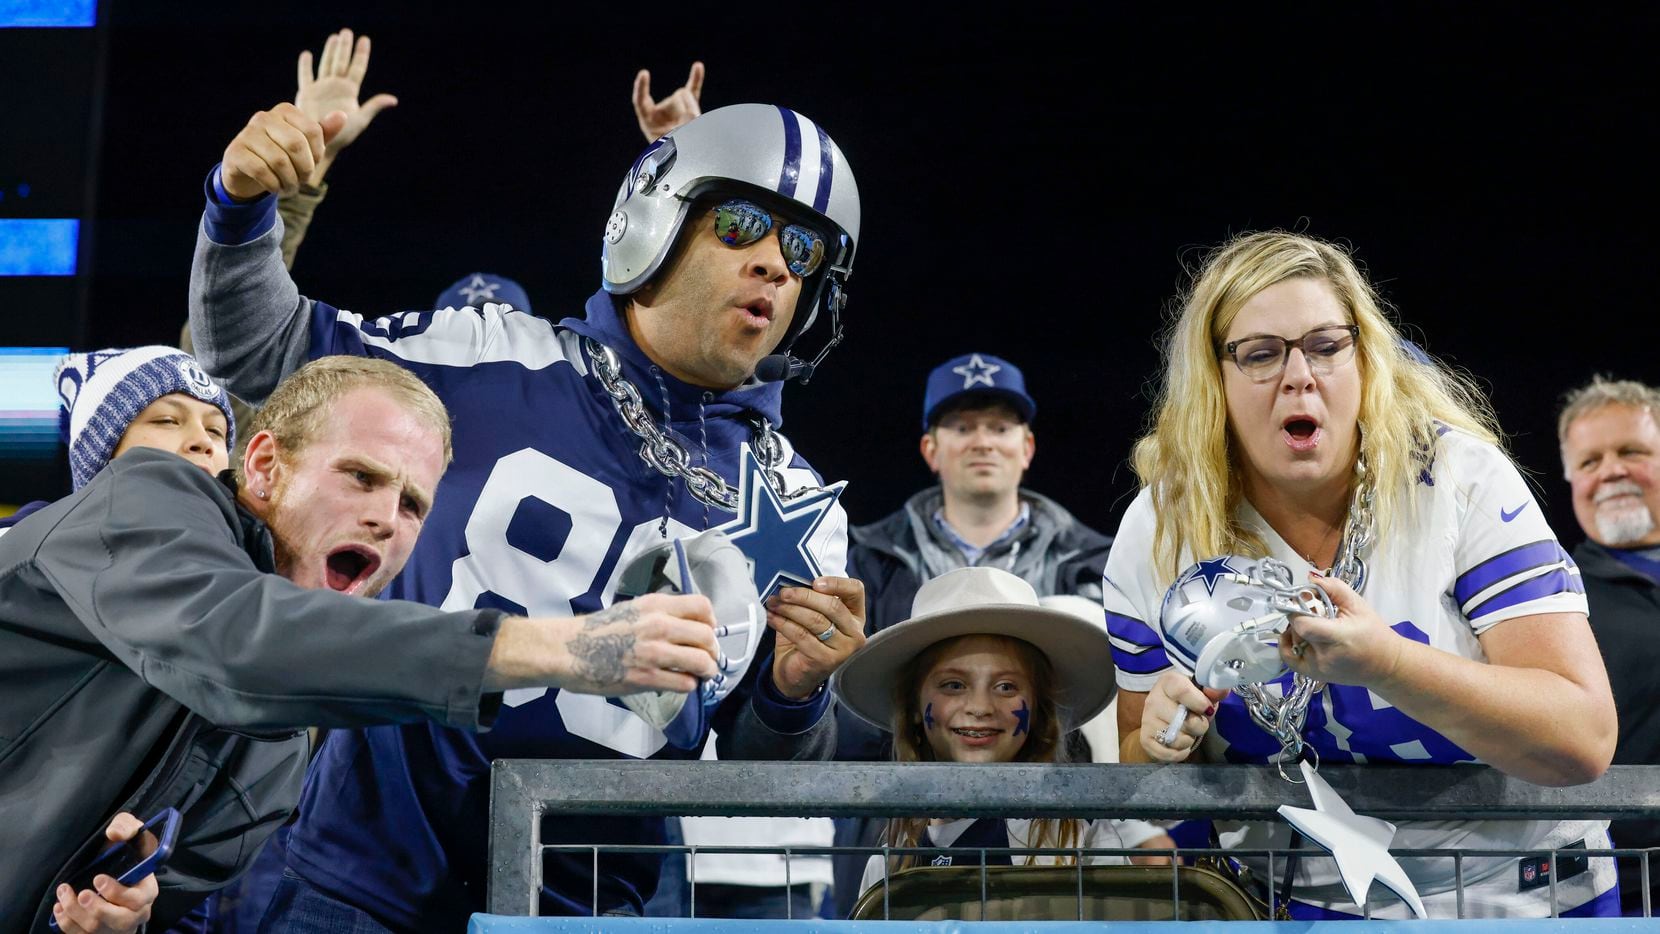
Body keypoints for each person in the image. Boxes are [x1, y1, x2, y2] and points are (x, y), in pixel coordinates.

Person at [189, 96, 865, 928]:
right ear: (659, 220)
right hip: (354, 886)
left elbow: (762, 774)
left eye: (802, 249)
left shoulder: (801, 504)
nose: (774, 265)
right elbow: (257, 352)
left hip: (586, 916)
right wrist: (242, 206)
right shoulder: (485, 355)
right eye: (739, 225)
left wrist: (794, 695)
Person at [1, 352, 726, 932]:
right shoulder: (145, 496)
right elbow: (234, 642)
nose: (387, 519)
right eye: (361, 477)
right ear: (260, 467)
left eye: (412, 503)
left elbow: (167, 909)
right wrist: (560, 649)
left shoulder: (280, 752)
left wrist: (122, 918)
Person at [1105, 230, 1618, 919]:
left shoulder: (1457, 481)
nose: (1299, 375)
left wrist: (1390, 665)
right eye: (1259, 354)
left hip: (1518, 895)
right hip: (1292, 901)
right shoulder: (1159, 527)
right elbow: (1136, 760)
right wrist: (1164, 738)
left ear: (1367, 360)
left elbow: (1581, 738)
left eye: (1325, 345)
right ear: (1213, 382)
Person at [832, 353, 1112, 913]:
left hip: (1056, 827)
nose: (982, 441)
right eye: (961, 426)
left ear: (1026, 447)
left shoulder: (1097, 565)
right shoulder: (862, 561)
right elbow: (848, 719)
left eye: (1000, 426)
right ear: (931, 449)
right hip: (897, 823)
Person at [832, 566, 1171, 902]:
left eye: (1006, 687)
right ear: (914, 707)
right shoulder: (895, 852)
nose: (980, 706)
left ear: (1038, 708)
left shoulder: (1072, 840)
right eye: (954, 685)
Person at [1558, 375, 1660, 915]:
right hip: (1627, 891)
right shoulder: (1554, 602)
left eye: (1632, 451)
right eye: (1590, 461)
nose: (1612, 470)